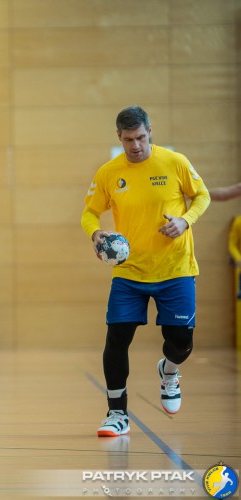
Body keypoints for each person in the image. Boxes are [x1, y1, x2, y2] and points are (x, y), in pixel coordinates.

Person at [81, 105, 210, 437]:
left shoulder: (174, 162)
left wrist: (185, 221)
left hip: (176, 268)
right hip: (130, 271)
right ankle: (117, 413)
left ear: (150, 131)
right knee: (117, 338)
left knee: (181, 341)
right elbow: (89, 214)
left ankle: (168, 371)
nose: (135, 145)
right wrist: (96, 234)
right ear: (119, 138)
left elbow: (202, 196)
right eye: (128, 139)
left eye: (140, 137)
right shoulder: (109, 172)